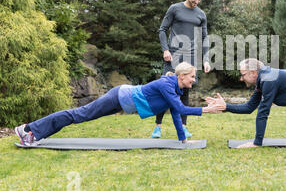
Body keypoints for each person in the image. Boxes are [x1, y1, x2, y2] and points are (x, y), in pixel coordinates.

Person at [15, 62, 222, 146]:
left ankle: (34, 134)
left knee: (79, 116)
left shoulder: (176, 88)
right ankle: (28, 130)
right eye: (192, 77)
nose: (194, 80)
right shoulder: (167, 84)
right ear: (182, 75)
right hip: (119, 97)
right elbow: (180, 109)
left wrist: (183, 141)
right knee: (79, 115)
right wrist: (207, 109)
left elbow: (176, 114)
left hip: (123, 102)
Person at [154, 0, 211, 139]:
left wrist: (205, 60)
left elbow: (205, 38)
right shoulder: (175, 9)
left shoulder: (201, 14)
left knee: (185, 92)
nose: (196, 2)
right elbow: (162, 30)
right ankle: (157, 127)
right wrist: (165, 49)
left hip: (190, 57)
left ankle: (184, 127)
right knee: (164, 90)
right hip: (173, 55)